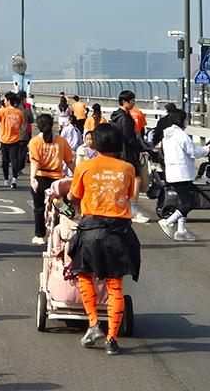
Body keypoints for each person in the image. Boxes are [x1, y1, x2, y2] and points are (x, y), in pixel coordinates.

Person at [67, 124, 141, 356]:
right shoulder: (127, 168)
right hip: (119, 231)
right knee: (115, 284)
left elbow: (74, 196)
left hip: (91, 230)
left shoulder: (85, 167)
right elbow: (130, 195)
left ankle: (93, 324)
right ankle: (112, 339)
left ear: (95, 144)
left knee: (84, 275)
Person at [156, 109, 210, 242]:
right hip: (182, 174)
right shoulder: (181, 135)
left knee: (182, 202)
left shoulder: (168, 135)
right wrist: (207, 149)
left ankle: (181, 231)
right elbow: (193, 152)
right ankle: (168, 222)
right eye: (186, 119)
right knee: (187, 203)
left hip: (173, 172)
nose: (187, 121)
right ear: (181, 120)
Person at [28, 113, 74, 245]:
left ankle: (39, 235)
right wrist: (77, 176)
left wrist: (32, 178)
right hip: (57, 181)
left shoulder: (35, 142)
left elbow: (35, 162)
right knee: (60, 206)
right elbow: (70, 161)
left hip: (41, 177)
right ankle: (58, 234)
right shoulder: (61, 141)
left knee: (38, 207)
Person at [110, 90, 150, 223]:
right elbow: (130, 138)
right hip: (127, 153)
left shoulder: (117, 116)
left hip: (119, 153)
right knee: (136, 180)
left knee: (123, 182)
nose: (134, 102)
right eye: (132, 100)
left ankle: (122, 208)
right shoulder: (124, 118)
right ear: (125, 102)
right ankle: (134, 210)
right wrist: (143, 147)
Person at [0, 92, 27, 189]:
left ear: (8, 101)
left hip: (4, 140)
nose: (4, 101)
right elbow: (22, 124)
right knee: (14, 160)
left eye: (5, 100)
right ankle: (14, 179)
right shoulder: (19, 113)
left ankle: (6, 179)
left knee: (5, 160)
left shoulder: (3, 111)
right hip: (15, 140)